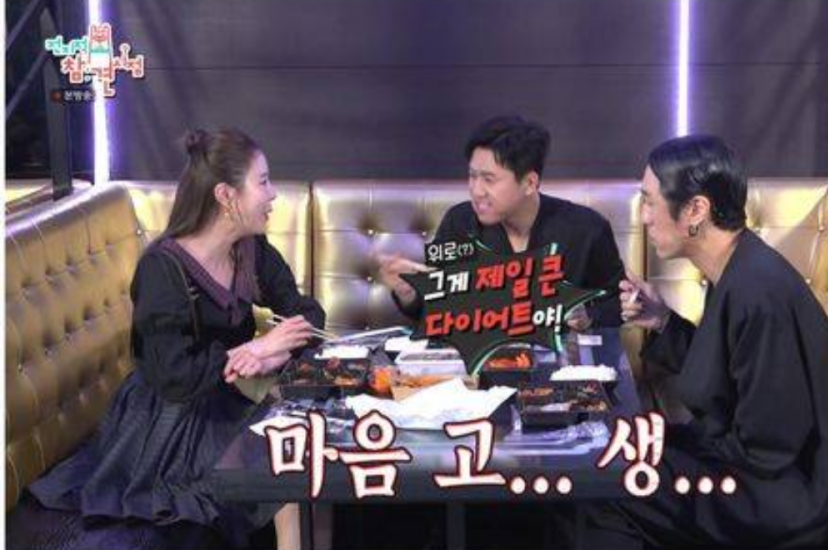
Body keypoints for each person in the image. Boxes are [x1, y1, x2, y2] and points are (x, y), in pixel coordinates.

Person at [29, 129, 325, 550]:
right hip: (168, 419)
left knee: (290, 444)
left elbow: (305, 314)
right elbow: (173, 376)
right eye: (263, 182)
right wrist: (252, 350)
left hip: (227, 398)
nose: (273, 193)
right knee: (272, 459)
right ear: (226, 196)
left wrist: (274, 351)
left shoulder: (251, 250)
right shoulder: (162, 269)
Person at [585, 135, 828, 547]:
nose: (643, 217)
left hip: (782, 500)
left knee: (607, 477)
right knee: (612, 449)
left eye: (649, 201)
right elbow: (731, 372)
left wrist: (669, 453)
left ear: (696, 210)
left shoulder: (757, 290)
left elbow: (768, 444)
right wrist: (661, 320)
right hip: (755, 473)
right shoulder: (737, 268)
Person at [378, 115, 626, 330]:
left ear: (529, 183)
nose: (476, 191)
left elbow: (618, 303)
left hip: (559, 364)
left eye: (489, 179)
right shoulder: (460, 223)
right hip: (480, 365)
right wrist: (408, 294)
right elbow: (436, 308)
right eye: (472, 177)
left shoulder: (586, 229)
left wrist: (588, 316)